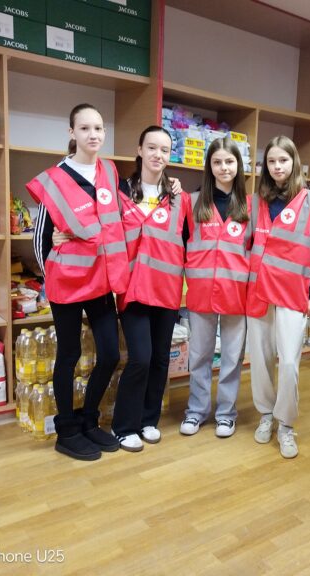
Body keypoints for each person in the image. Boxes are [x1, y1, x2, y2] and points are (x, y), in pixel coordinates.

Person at [28, 103, 129, 461]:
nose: (93, 135)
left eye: (98, 128)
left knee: (110, 354)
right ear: (72, 133)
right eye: (85, 128)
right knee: (69, 355)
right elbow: (40, 238)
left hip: (101, 281)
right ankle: (67, 430)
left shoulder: (110, 171)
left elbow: (119, 215)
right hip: (67, 283)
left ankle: (88, 419)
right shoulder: (56, 177)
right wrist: (51, 279)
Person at [246, 135, 310, 459]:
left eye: (283, 160)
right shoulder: (256, 202)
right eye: (271, 161)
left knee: (289, 362)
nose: (277, 166)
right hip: (259, 291)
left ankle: (286, 424)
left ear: (294, 162)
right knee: (261, 360)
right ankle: (266, 415)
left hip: (293, 292)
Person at [110, 126, 189, 452]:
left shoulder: (179, 198)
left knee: (159, 359)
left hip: (167, 290)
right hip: (132, 290)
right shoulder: (120, 193)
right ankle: (123, 426)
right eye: (152, 147)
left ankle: (148, 420)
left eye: (165, 150)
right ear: (140, 150)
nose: (158, 155)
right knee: (140, 358)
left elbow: (188, 242)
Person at [180, 138, 250, 438]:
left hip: (237, 294)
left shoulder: (251, 206)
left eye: (229, 162)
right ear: (209, 166)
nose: (224, 168)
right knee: (199, 355)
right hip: (201, 292)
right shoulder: (192, 203)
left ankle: (226, 414)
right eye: (217, 162)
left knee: (232, 358)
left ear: (238, 166)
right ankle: (196, 411)